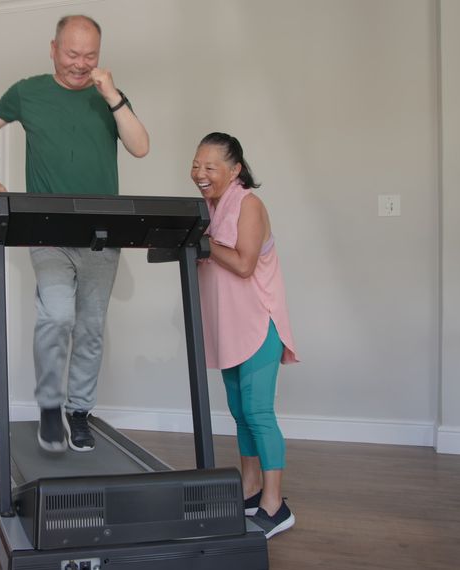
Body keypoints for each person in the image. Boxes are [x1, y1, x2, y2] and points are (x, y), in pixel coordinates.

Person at [0, 14, 149, 453]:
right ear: (53, 49)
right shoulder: (28, 92)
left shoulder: (108, 98)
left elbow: (140, 146)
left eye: (90, 55)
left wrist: (113, 97)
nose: (80, 63)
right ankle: (50, 404)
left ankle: (79, 412)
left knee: (90, 329)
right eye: (72, 54)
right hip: (48, 233)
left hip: (102, 236)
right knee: (56, 316)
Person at [191, 132, 299, 538]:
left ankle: (275, 505)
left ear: (235, 169)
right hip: (228, 326)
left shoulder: (249, 205)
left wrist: (202, 242)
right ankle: (251, 489)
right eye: (196, 165)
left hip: (258, 322)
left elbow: (243, 264)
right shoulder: (208, 208)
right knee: (239, 412)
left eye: (210, 167)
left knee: (258, 412)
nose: (200, 173)